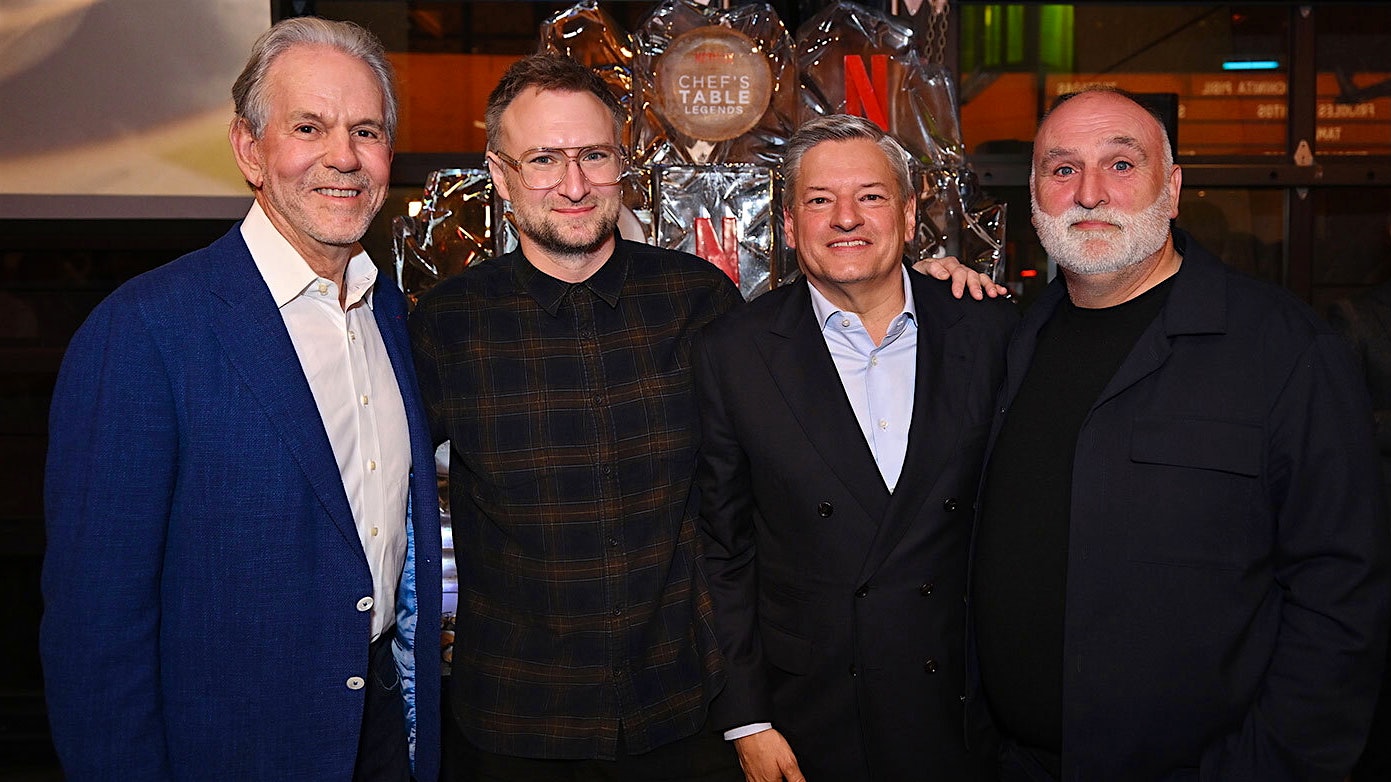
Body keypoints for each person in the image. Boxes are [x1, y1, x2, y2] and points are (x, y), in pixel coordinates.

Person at [41, 17, 441, 782]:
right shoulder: (145, 330)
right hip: (231, 746)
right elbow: (95, 629)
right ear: (249, 150)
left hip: (385, 734)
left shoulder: (391, 315)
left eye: (366, 130)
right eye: (308, 127)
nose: (343, 157)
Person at [966, 87, 1389, 781]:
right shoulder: (1008, 342)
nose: (1090, 194)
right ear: (1035, 191)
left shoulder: (1286, 352)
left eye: (1122, 165)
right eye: (1062, 168)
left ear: (1173, 187)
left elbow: (1341, 597)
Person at [408, 54, 745, 781]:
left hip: (684, 712)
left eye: (594, 155)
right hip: (512, 723)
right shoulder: (445, 325)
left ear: (621, 164)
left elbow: (786, 444)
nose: (572, 183)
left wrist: (920, 290)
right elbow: (364, 483)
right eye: (543, 159)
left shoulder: (700, 301)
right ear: (499, 176)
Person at [693, 114, 1018, 782]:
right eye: (819, 200)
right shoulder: (733, 353)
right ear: (788, 225)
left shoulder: (990, 331)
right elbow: (720, 549)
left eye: (869, 196)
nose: (845, 218)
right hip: (809, 714)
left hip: (961, 709)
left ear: (906, 216)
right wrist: (747, 719)